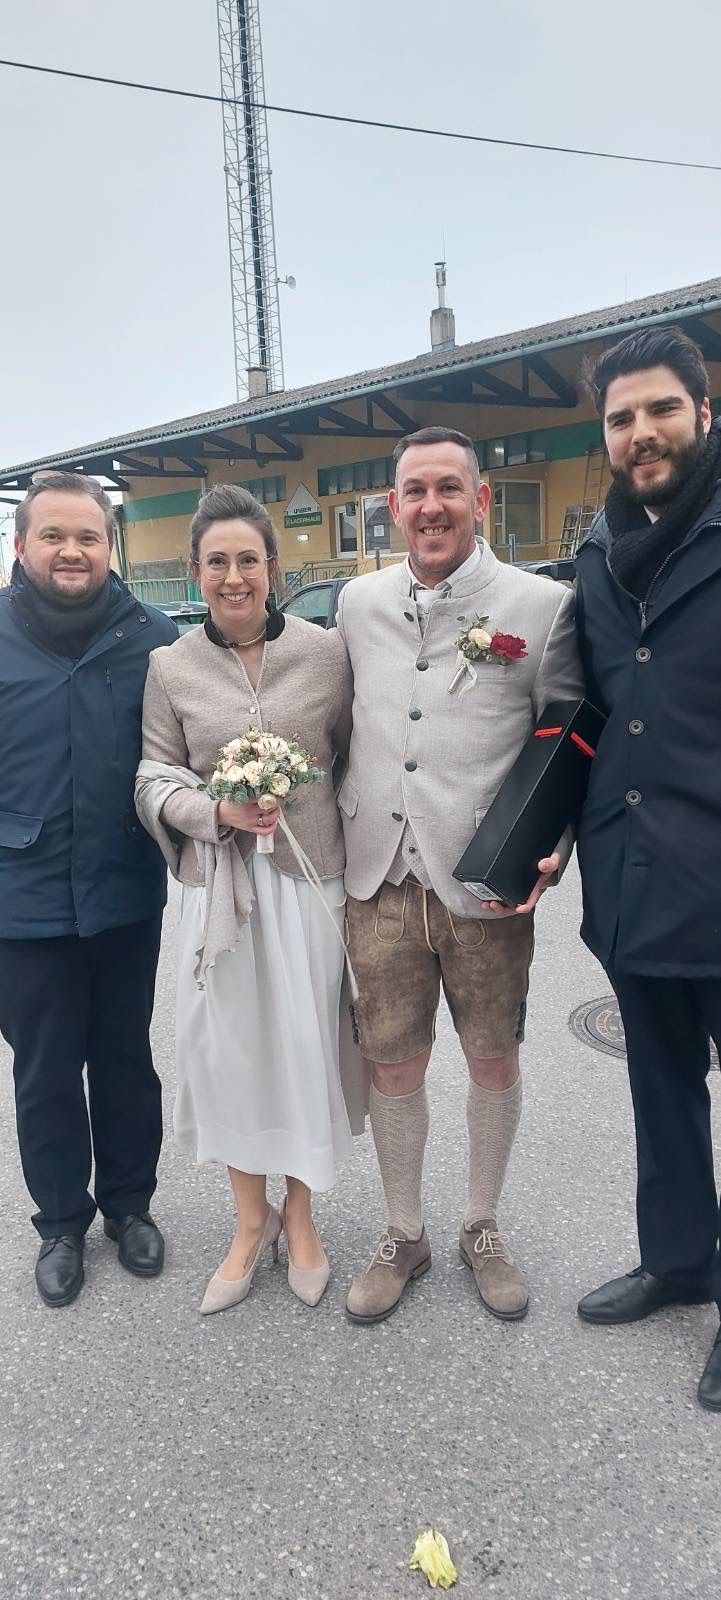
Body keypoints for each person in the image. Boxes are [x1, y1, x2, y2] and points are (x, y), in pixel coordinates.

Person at [336, 425, 585, 1324]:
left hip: (486, 880)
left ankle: (481, 1220)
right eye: (414, 491)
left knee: (492, 1055)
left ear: (479, 501)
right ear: (393, 507)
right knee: (392, 1063)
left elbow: (568, 741)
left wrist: (555, 849)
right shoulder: (357, 604)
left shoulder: (539, 606)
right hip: (378, 877)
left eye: (449, 488)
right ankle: (405, 1230)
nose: (431, 505)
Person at [136, 483, 356, 1314]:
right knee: (228, 1053)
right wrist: (213, 811)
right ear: (196, 570)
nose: (234, 576)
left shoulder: (324, 653)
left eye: (249, 559)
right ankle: (246, 1219)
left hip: (307, 884)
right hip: (218, 887)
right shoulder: (169, 667)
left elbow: (346, 757)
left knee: (303, 1049)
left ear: (273, 566)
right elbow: (153, 774)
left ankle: (301, 1217)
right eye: (217, 561)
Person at [574, 326, 721, 1412]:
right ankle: (678, 1261)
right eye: (622, 418)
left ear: (702, 413)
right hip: (631, 875)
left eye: (660, 409)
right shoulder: (596, 553)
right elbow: (584, 711)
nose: (641, 433)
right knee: (658, 1089)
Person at [0, 471, 176, 1308]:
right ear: (20, 544)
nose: (72, 551)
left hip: (122, 892)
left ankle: (129, 1208)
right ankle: (60, 1222)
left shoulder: (155, 638)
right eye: (54, 536)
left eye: (89, 537)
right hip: (20, 901)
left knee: (123, 1059)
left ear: (112, 548)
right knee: (43, 1073)